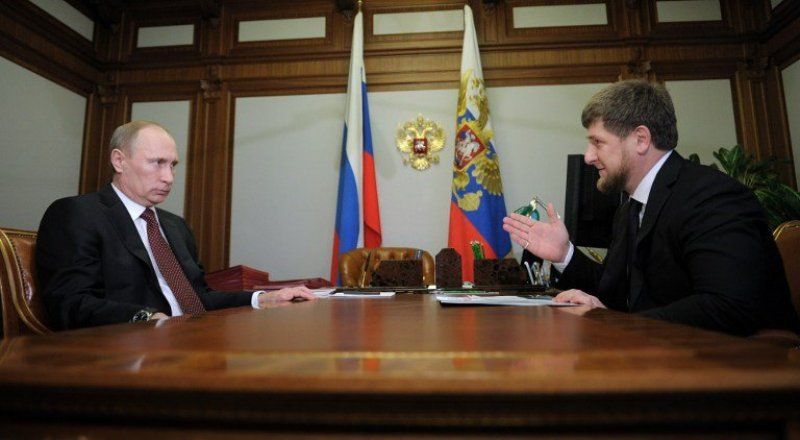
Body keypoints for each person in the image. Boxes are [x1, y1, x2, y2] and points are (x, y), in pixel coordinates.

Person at [503, 80, 799, 336]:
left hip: (733, 371)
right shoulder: (628, 209)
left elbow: (727, 305)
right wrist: (564, 254)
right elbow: (615, 294)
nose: (589, 156)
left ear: (641, 139)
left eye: (598, 142)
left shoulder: (713, 196)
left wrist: (622, 325)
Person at [37, 120, 316, 330]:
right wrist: (149, 319)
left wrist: (262, 299)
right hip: (126, 355)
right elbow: (70, 303)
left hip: (197, 341)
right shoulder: (78, 214)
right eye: (157, 163)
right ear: (119, 160)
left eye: (173, 165)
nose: (168, 177)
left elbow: (199, 298)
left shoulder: (175, 226)